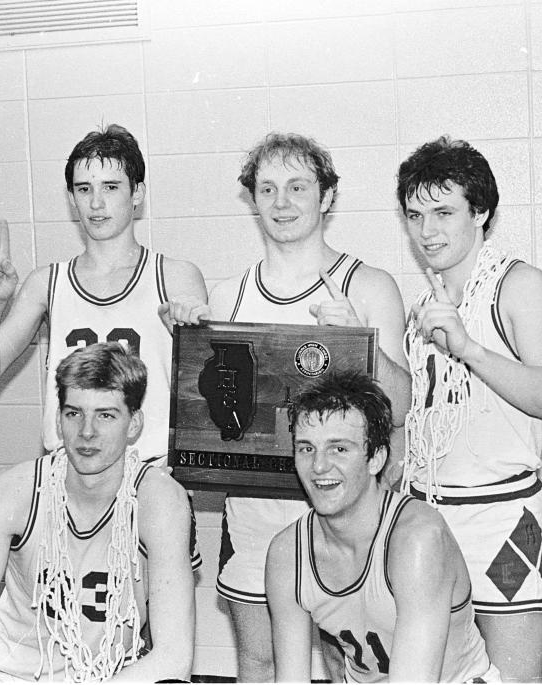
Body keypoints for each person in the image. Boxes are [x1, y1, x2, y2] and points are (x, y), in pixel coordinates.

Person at [169, 132, 410, 681]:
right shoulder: (227, 295)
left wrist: (362, 344)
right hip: (256, 513)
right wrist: (186, 342)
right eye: (268, 188)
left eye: (298, 187)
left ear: (326, 197)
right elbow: (206, 418)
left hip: (344, 516)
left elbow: (401, 408)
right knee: (262, 663)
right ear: (251, 200)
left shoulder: (368, 286)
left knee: (353, 669)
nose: (282, 203)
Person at [394, 136, 542, 682]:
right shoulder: (426, 301)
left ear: (482, 212)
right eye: (415, 215)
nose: (427, 231)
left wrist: (469, 347)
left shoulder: (521, 285)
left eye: (444, 212)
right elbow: (414, 407)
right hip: (425, 515)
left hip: (500, 517)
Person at [0, 342, 195, 682]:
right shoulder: (14, 492)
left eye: (106, 415)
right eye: (74, 413)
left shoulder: (158, 500)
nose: (87, 431)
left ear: (133, 424)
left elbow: (174, 660)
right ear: (58, 420)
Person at [0, 123, 207, 463]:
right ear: (71, 198)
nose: (95, 202)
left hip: (150, 474)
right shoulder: (47, 282)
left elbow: (209, 394)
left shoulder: (175, 277)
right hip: (68, 476)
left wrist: (191, 337)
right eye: (83, 189)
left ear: (137, 194)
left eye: (110, 187)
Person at [266, 370, 499, 683]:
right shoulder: (286, 553)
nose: (319, 466)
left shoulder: (417, 539)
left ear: (375, 459)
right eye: (307, 448)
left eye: (339, 448)